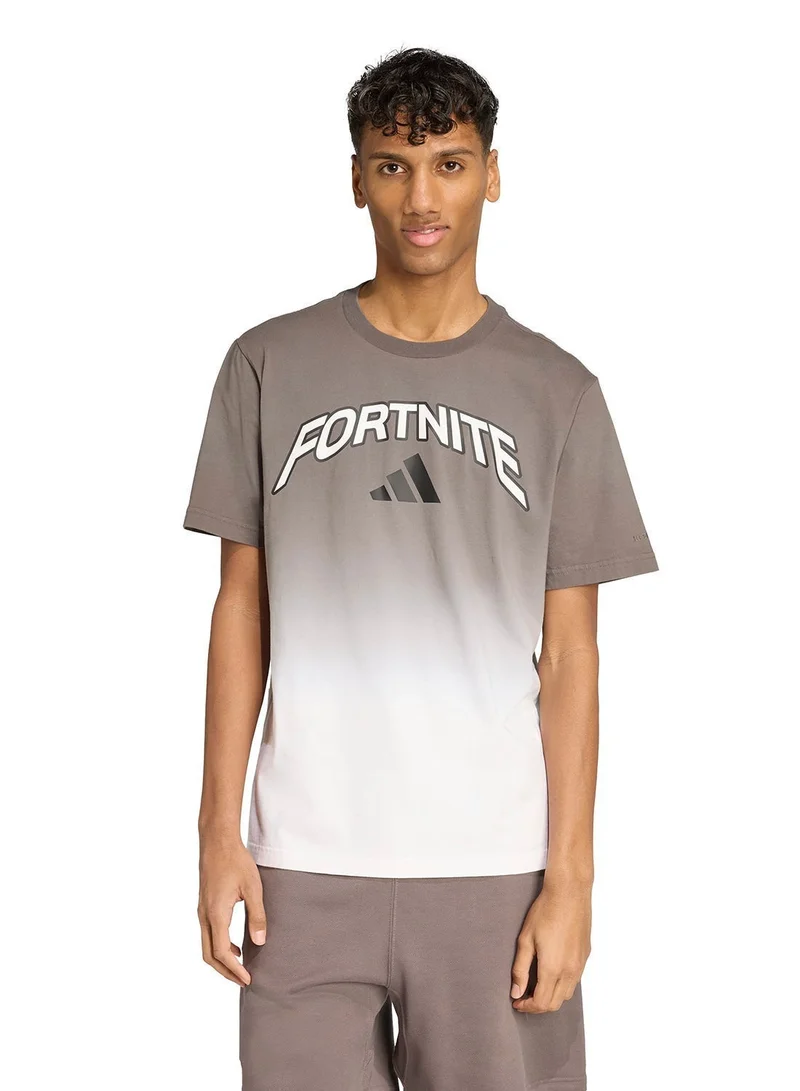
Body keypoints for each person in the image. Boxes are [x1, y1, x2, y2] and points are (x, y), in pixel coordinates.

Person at [182, 46, 658, 1091]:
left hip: (494, 870)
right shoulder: (267, 364)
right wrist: (218, 830)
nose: (422, 198)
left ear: (493, 174)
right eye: (392, 165)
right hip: (299, 869)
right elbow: (240, 607)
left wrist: (571, 878)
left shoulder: (558, 390)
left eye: (449, 163)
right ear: (355, 178)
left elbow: (571, 656)